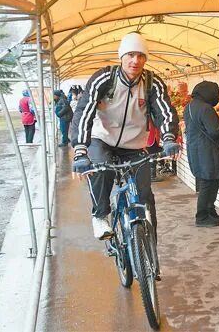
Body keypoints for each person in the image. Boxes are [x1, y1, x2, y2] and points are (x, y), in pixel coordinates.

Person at [70, 32, 180, 240]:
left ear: (146, 59)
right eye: (130, 55)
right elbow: (84, 112)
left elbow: (164, 111)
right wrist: (80, 149)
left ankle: (150, 252)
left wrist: (168, 138)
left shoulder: (151, 83)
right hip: (101, 139)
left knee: (145, 195)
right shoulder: (104, 78)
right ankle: (100, 215)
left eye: (141, 56)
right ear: (121, 57)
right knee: (101, 168)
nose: (135, 61)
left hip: (135, 145)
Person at [184, 81, 219, 227]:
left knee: (206, 181)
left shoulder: (189, 106)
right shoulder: (206, 108)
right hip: (207, 150)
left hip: (195, 148)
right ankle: (202, 215)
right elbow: (214, 131)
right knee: (209, 183)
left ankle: (210, 210)